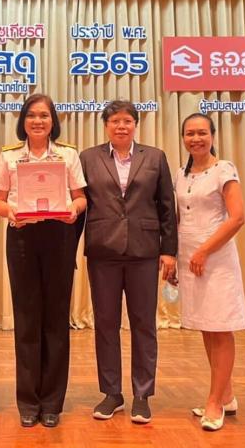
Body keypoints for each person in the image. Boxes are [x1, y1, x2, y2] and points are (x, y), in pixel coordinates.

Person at [0, 94, 87, 428]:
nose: (38, 121)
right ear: (23, 120)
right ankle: (28, 401)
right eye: (31, 115)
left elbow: (81, 197)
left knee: (56, 319)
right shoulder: (9, 156)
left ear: (53, 121)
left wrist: (74, 210)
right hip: (22, 237)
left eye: (44, 116)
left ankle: (52, 402)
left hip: (59, 236)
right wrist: (11, 212)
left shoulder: (68, 154)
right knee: (27, 318)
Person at [79, 100, 177, 425]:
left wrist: (169, 251)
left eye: (127, 121)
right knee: (105, 324)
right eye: (115, 121)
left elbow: (167, 207)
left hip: (144, 251)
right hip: (103, 251)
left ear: (135, 124)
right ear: (106, 125)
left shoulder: (155, 157)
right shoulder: (88, 158)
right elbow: (81, 204)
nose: (121, 126)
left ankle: (142, 395)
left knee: (144, 324)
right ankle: (112, 393)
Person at [173, 112, 245, 432]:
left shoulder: (224, 169)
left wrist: (205, 250)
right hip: (190, 259)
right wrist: (177, 258)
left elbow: (237, 218)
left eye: (202, 133)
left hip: (216, 260)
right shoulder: (181, 174)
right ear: (183, 138)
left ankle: (214, 402)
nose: (196, 139)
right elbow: (178, 219)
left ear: (213, 136)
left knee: (221, 328)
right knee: (206, 327)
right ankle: (226, 396)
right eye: (190, 133)